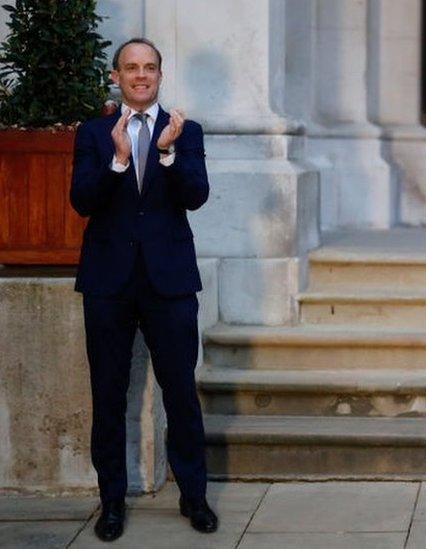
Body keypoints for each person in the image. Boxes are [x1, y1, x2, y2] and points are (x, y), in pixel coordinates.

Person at [69, 37, 218, 542]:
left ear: (159, 75)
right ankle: (111, 503)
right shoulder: (92, 134)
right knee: (107, 396)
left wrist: (168, 152)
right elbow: (82, 202)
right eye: (130, 68)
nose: (140, 75)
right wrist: (116, 160)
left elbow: (196, 196)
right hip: (109, 281)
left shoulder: (185, 131)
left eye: (149, 67)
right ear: (116, 76)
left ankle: (194, 498)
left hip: (169, 282)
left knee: (181, 394)